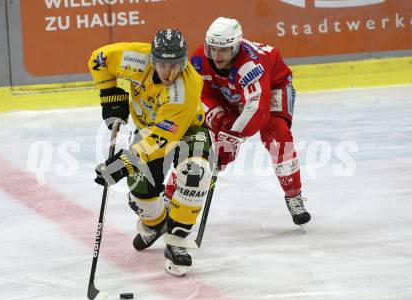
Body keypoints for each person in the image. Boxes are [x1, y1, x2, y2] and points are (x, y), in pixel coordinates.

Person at [88, 29, 214, 277]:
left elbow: (162, 139)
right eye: (162, 65)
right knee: (141, 191)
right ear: (152, 59)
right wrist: (110, 95)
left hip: (189, 128)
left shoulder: (187, 88)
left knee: (196, 172)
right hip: (149, 128)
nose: (169, 73)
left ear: (184, 61)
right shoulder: (134, 58)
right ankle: (157, 224)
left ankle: (177, 239)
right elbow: (98, 59)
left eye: (176, 65)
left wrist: (124, 162)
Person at [190, 17, 311, 226]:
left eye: (223, 50)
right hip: (230, 92)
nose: (216, 56)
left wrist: (230, 140)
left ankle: (293, 195)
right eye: (212, 48)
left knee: (277, 132)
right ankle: (176, 198)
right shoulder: (200, 58)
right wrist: (219, 119)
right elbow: (200, 95)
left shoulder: (251, 65)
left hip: (273, 87)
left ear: (235, 47)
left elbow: (258, 110)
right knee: (206, 136)